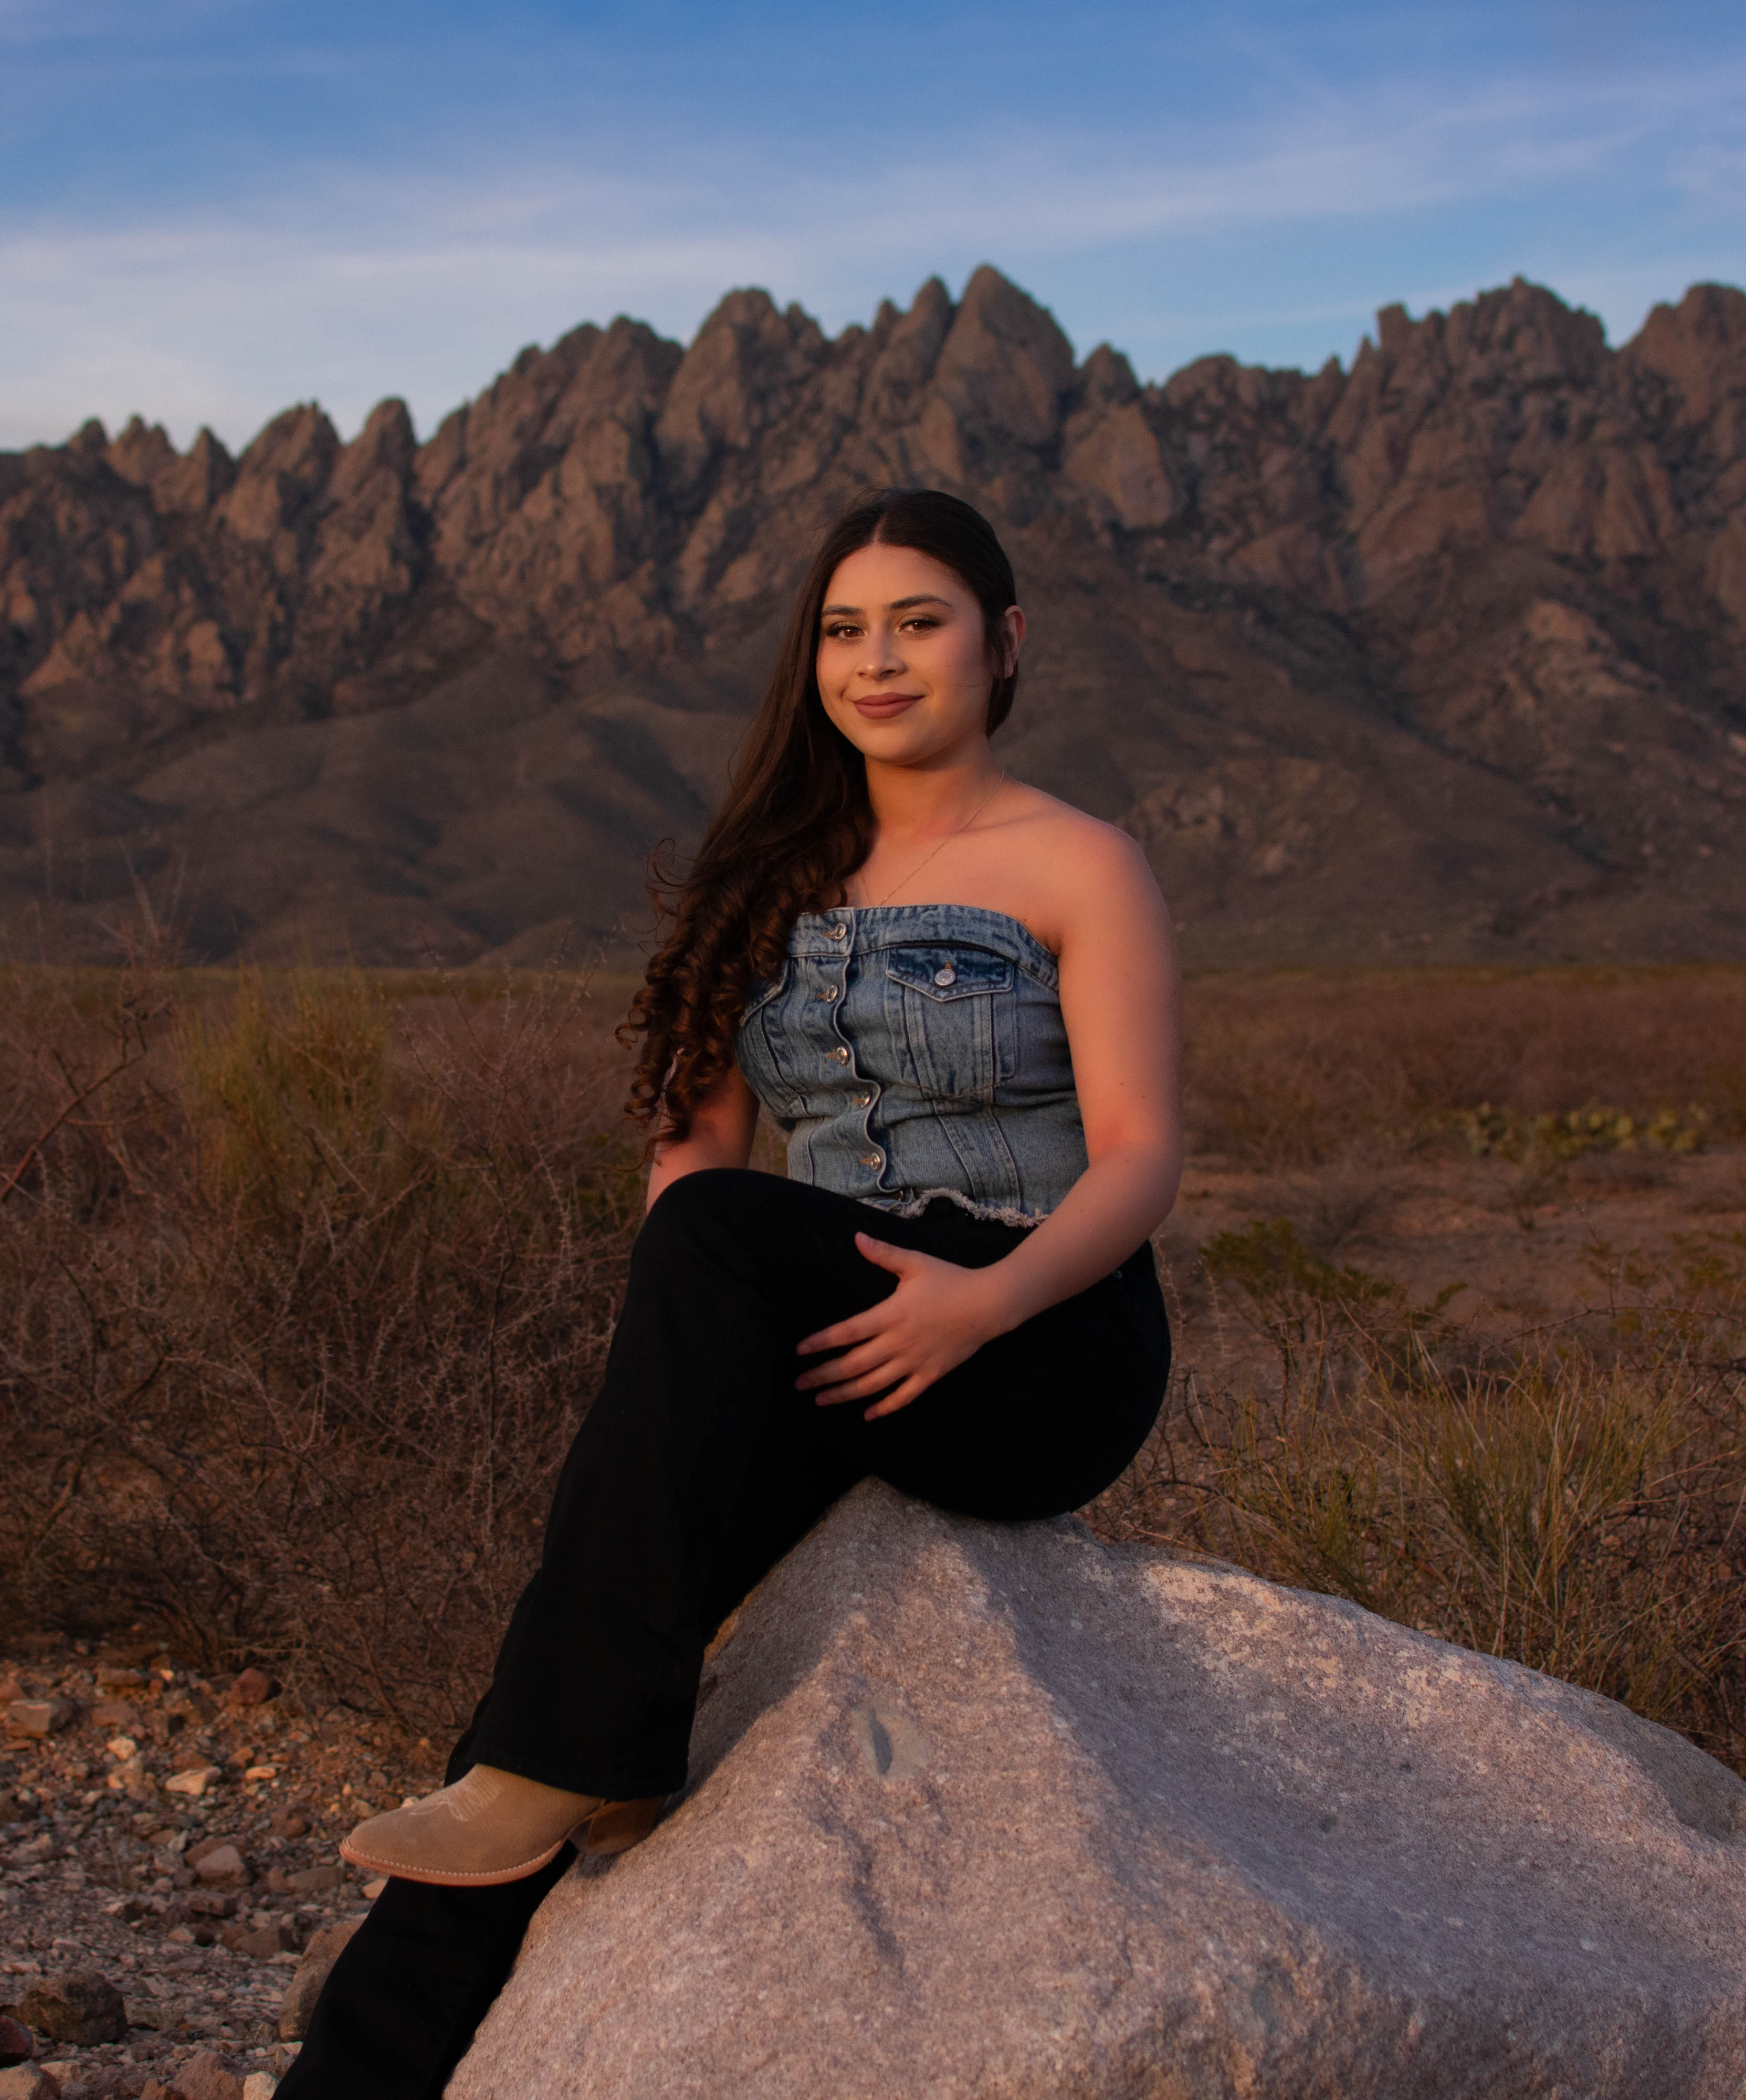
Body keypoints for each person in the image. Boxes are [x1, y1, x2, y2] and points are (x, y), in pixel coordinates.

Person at [277, 486, 1182, 2097]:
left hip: (1039, 1339)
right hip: (824, 1331)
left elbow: (1139, 1158)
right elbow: (691, 1153)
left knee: (701, 1266)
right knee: (571, 1648)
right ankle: (363, 2070)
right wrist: (696, 1385)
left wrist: (979, 1305)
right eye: (843, 630)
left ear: (1005, 641)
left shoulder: (1077, 861)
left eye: (919, 623)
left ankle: (577, 1756)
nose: (877, 660)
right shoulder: (766, 872)